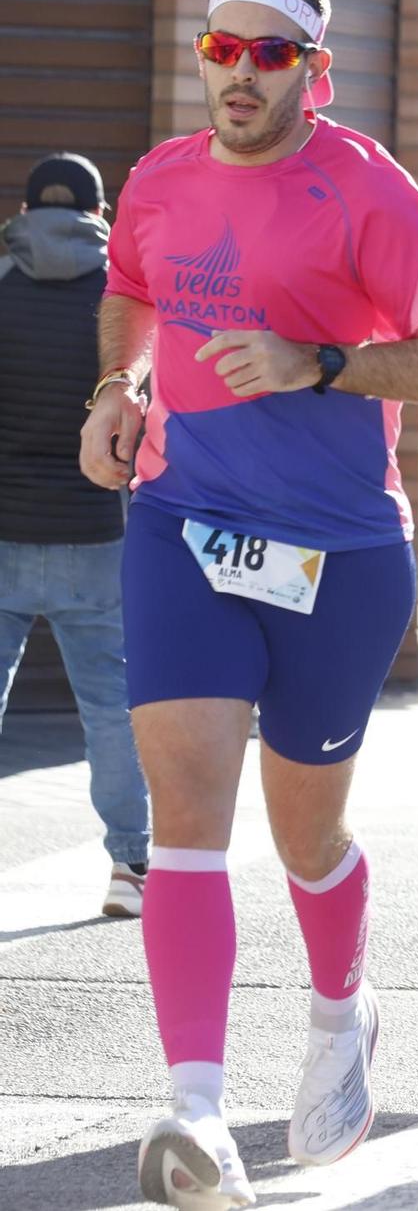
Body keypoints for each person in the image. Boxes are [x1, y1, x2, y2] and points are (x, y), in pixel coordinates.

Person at [77, 0, 418, 1208]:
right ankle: (196, 1111)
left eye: (270, 54)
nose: (240, 75)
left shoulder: (364, 190)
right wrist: (120, 386)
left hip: (338, 548)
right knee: (187, 813)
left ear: (315, 72)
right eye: (223, 50)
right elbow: (134, 289)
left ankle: (338, 1010)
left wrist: (321, 362)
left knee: (304, 829)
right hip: (183, 523)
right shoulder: (157, 179)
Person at [0, 152, 151, 917]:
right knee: (110, 711)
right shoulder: (119, 304)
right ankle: (129, 868)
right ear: (101, 213)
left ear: (26, 208)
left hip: (2, 534)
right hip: (96, 536)